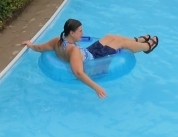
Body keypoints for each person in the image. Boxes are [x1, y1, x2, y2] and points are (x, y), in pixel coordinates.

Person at [22, 18, 159, 98]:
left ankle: (137, 40)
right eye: (80, 31)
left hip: (88, 51)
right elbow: (79, 72)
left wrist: (30, 44)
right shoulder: (73, 50)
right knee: (120, 43)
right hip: (94, 57)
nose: (83, 33)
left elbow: (40, 48)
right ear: (72, 33)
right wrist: (96, 87)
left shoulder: (57, 40)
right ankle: (147, 47)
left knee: (110, 36)